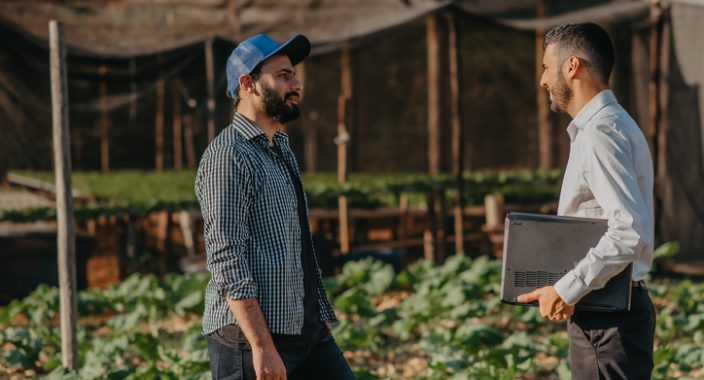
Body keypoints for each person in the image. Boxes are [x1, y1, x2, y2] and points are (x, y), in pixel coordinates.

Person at [195, 33, 355, 380]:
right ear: (247, 83)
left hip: (305, 332)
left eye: (294, 74)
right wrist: (261, 346)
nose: (296, 84)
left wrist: (316, 316)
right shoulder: (229, 156)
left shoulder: (279, 147)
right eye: (283, 75)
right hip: (249, 341)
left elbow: (291, 244)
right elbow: (226, 256)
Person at [517, 22, 655, 379]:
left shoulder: (600, 133)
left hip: (608, 319)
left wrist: (566, 288)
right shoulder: (611, 125)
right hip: (609, 312)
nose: (543, 80)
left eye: (547, 67)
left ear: (572, 66)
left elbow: (628, 230)